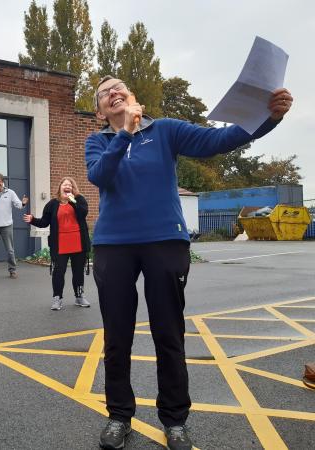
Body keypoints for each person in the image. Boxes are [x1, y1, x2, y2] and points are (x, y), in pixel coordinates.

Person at [85, 75, 293, 450]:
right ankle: (119, 416)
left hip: (165, 241)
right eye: (105, 93)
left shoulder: (165, 131)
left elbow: (218, 140)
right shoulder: (98, 142)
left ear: (135, 99)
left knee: (169, 335)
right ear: (100, 111)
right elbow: (100, 175)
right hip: (114, 245)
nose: (114, 92)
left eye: (120, 88)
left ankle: (175, 420)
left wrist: (268, 119)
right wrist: (125, 134)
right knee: (117, 338)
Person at [23, 176, 91, 310]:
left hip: (78, 243)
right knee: (58, 272)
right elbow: (44, 222)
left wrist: (72, 201)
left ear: (73, 188)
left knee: (78, 272)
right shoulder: (52, 204)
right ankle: (57, 298)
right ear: (60, 188)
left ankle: (79, 297)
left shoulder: (79, 200)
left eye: (70, 185)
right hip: (60, 244)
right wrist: (32, 220)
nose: (67, 187)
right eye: (65, 184)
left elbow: (83, 213)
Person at [0, 172, 28, 279]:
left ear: (3, 182)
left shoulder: (10, 192)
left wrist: (23, 203)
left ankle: (12, 271)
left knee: (10, 250)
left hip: (7, 225)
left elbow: (18, 205)